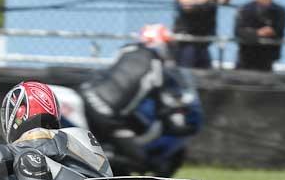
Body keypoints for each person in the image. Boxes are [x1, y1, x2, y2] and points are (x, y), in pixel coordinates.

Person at [80, 25, 202, 171]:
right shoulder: (155, 64)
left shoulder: (126, 52)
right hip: (105, 111)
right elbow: (161, 97)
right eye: (168, 44)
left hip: (89, 96)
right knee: (138, 160)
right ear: (162, 44)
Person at [174, 0, 236, 69]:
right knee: (186, 76)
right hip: (186, 41)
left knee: (206, 76)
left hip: (204, 42)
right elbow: (186, 4)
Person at [234, 0, 285, 72]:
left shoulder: (279, 11)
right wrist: (257, 33)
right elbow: (238, 32)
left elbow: (280, 31)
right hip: (246, 57)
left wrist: (272, 32)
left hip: (267, 58)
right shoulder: (245, 10)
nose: (268, 2)